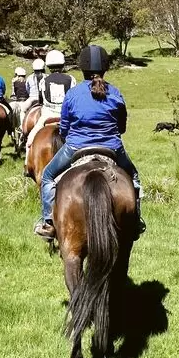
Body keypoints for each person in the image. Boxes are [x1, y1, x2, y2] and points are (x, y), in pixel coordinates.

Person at [34, 44, 145, 239]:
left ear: (82, 67)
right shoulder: (116, 93)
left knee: (48, 176)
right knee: (134, 178)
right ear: (105, 67)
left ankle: (49, 222)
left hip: (76, 146)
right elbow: (122, 127)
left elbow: (65, 128)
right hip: (112, 148)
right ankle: (135, 221)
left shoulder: (73, 94)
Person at [25, 49, 76, 156]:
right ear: (63, 65)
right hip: (67, 116)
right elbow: (74, 99)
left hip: (48, 115)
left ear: (48, 66)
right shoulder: (71, 79)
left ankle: (27, 166)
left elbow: (41, 100)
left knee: (30, 140)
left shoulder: (44, 80)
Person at [9, 66, 30, 132]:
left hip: (18, 101)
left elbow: (13, 94)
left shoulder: (15, 82)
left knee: (10, 111)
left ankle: (11, 126)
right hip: (27, 101)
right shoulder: (27, 82)